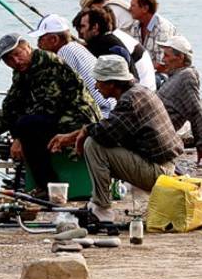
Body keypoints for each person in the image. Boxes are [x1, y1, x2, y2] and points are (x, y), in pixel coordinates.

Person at [0, 33, 101, 196]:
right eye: (8, 60)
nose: (15, 61)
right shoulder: (21, 73)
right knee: (21, 122)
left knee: (26, 125)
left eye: (17, 54)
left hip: (78, 117)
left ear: (28, 47)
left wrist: (19, 138)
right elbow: (9, 110)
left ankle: (48, 186)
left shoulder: (49, 63)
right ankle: (45, 185)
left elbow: (48, 106)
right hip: (56, 118)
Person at [48, 55, 183, 222]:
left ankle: (101, 209)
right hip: (164, 166)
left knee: (93, 145)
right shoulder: (139, 92)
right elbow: (109, 128)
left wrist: (81, 134)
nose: (95, 87)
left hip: (159, 172)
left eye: (99, 82)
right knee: (94, 139)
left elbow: (103, 134)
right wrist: (82, 133)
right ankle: (97, 202)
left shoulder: (130, 100)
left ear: (112, 83)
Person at [29, 13, 116, 117]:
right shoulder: (75, 47)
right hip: (109, 108)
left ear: (54, 40)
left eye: (41, 39)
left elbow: (58, 93)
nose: (38, 45)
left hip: (102, 112)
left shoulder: (64, 53)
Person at [156, 35, 202, 168]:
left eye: (167, 55)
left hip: (157, 138)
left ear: (180, 57)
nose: (163, 60)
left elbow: (196, 113)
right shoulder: (176, 76)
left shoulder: (186, 76)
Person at [77, 8, 156, 90]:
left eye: (83, 26)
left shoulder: (102, 45)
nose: (81, 31)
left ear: (95, 27)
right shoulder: (111, 40)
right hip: (138, 86)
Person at [126, 0, 179, 72]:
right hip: (143, 71)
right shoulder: (135, 26)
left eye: (133, 6)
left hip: (163, 74)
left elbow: (162, 65)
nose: (129, 9)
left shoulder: (162, 29)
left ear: (145, 8)